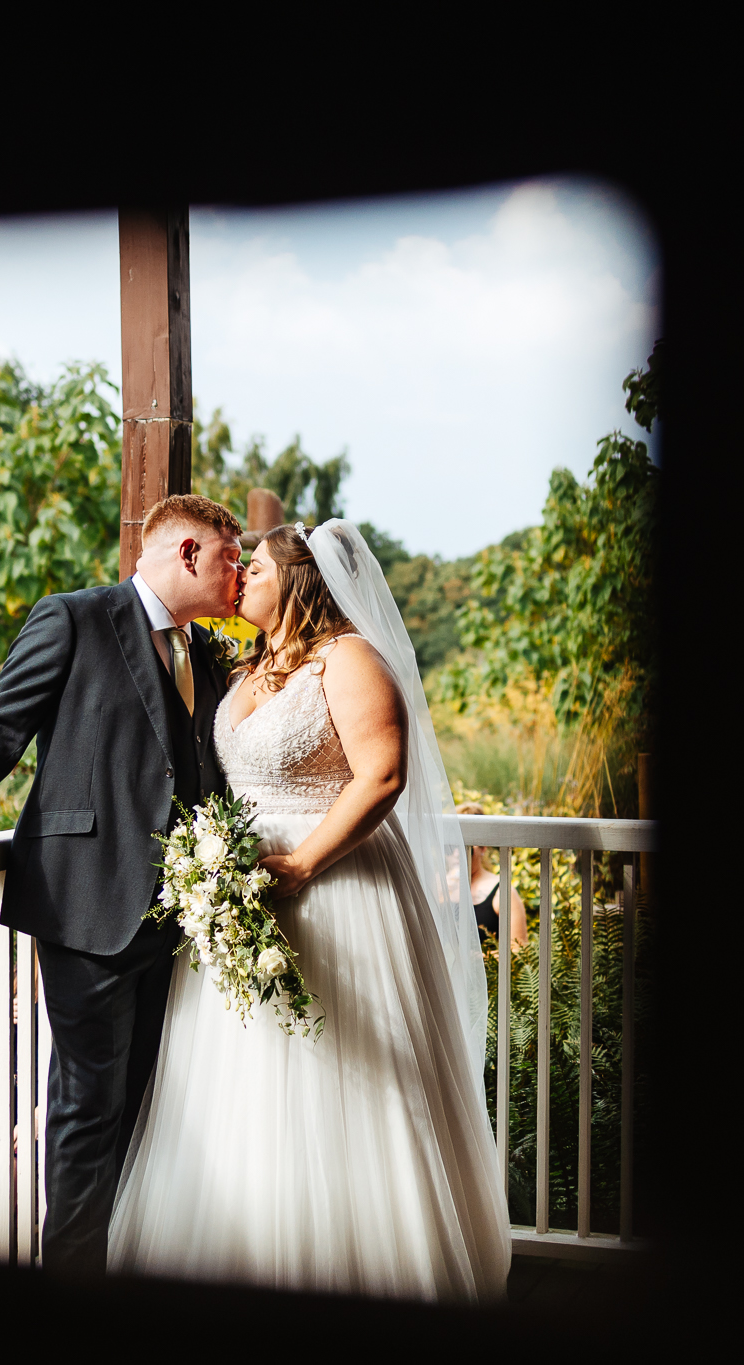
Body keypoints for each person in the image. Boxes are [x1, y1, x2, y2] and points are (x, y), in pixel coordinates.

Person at [108, 520, 510, 1303]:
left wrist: (299, 864)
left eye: (251, 565)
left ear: (297, 578)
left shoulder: (351, 658)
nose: (239, 577)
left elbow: (383, 774)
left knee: (346, 1074)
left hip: (337, 889)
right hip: (244, 897)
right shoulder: (247, 665)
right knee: (242, 1085)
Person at [0, 493, 244, 1279]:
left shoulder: (205, 653)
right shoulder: (74, 618)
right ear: (189, 553)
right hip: (86, 907)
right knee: (86, 1112)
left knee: (145, 1106)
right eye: (231, 557)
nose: (239, 574)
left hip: (179, 922)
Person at [453, 801, 527, 949]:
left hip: (489, 971)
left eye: (465, 846)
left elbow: (519, 950)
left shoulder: (503, 893)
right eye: (452, 845)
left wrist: (480, 960)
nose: (457, 853)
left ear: (483, 847)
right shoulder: (439, 887)